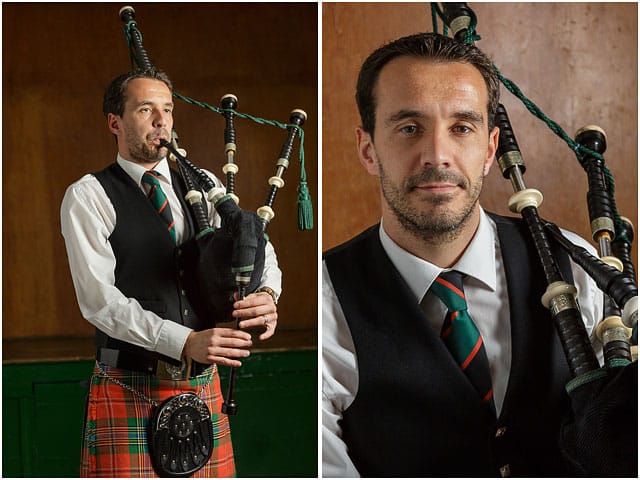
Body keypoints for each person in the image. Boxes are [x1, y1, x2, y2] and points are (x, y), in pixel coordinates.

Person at [322, 32, 603, 477]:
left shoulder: (576, 266)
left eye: (462, 127)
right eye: (409, 128)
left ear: (490, 149)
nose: (437, 155)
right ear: (368, 149)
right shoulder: (326, 297)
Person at [61, 68, 282, 477]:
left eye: (167, 109)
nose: (162, 121)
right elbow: (98, 300)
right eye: (146, 109)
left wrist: (267, 294)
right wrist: (184, 341)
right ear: (115, 122)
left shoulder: (204, 184)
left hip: (202, 384)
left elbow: (256, 245)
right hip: (129, 383)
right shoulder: (89, 195)